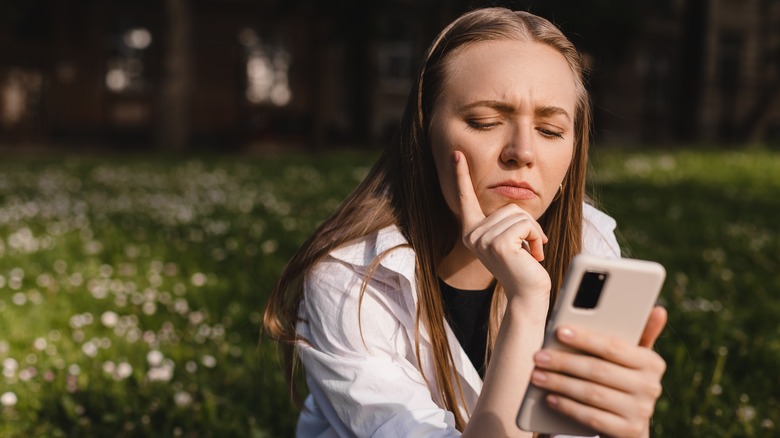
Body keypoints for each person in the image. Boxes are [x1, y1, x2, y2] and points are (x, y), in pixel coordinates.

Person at [263, 7, 667, 437]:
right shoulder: (351, 283)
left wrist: (622, 429)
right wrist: (529, 303)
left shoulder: (592, 247)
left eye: (550, 130)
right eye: (485, 122)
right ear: (424, 130)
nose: (523, 152)